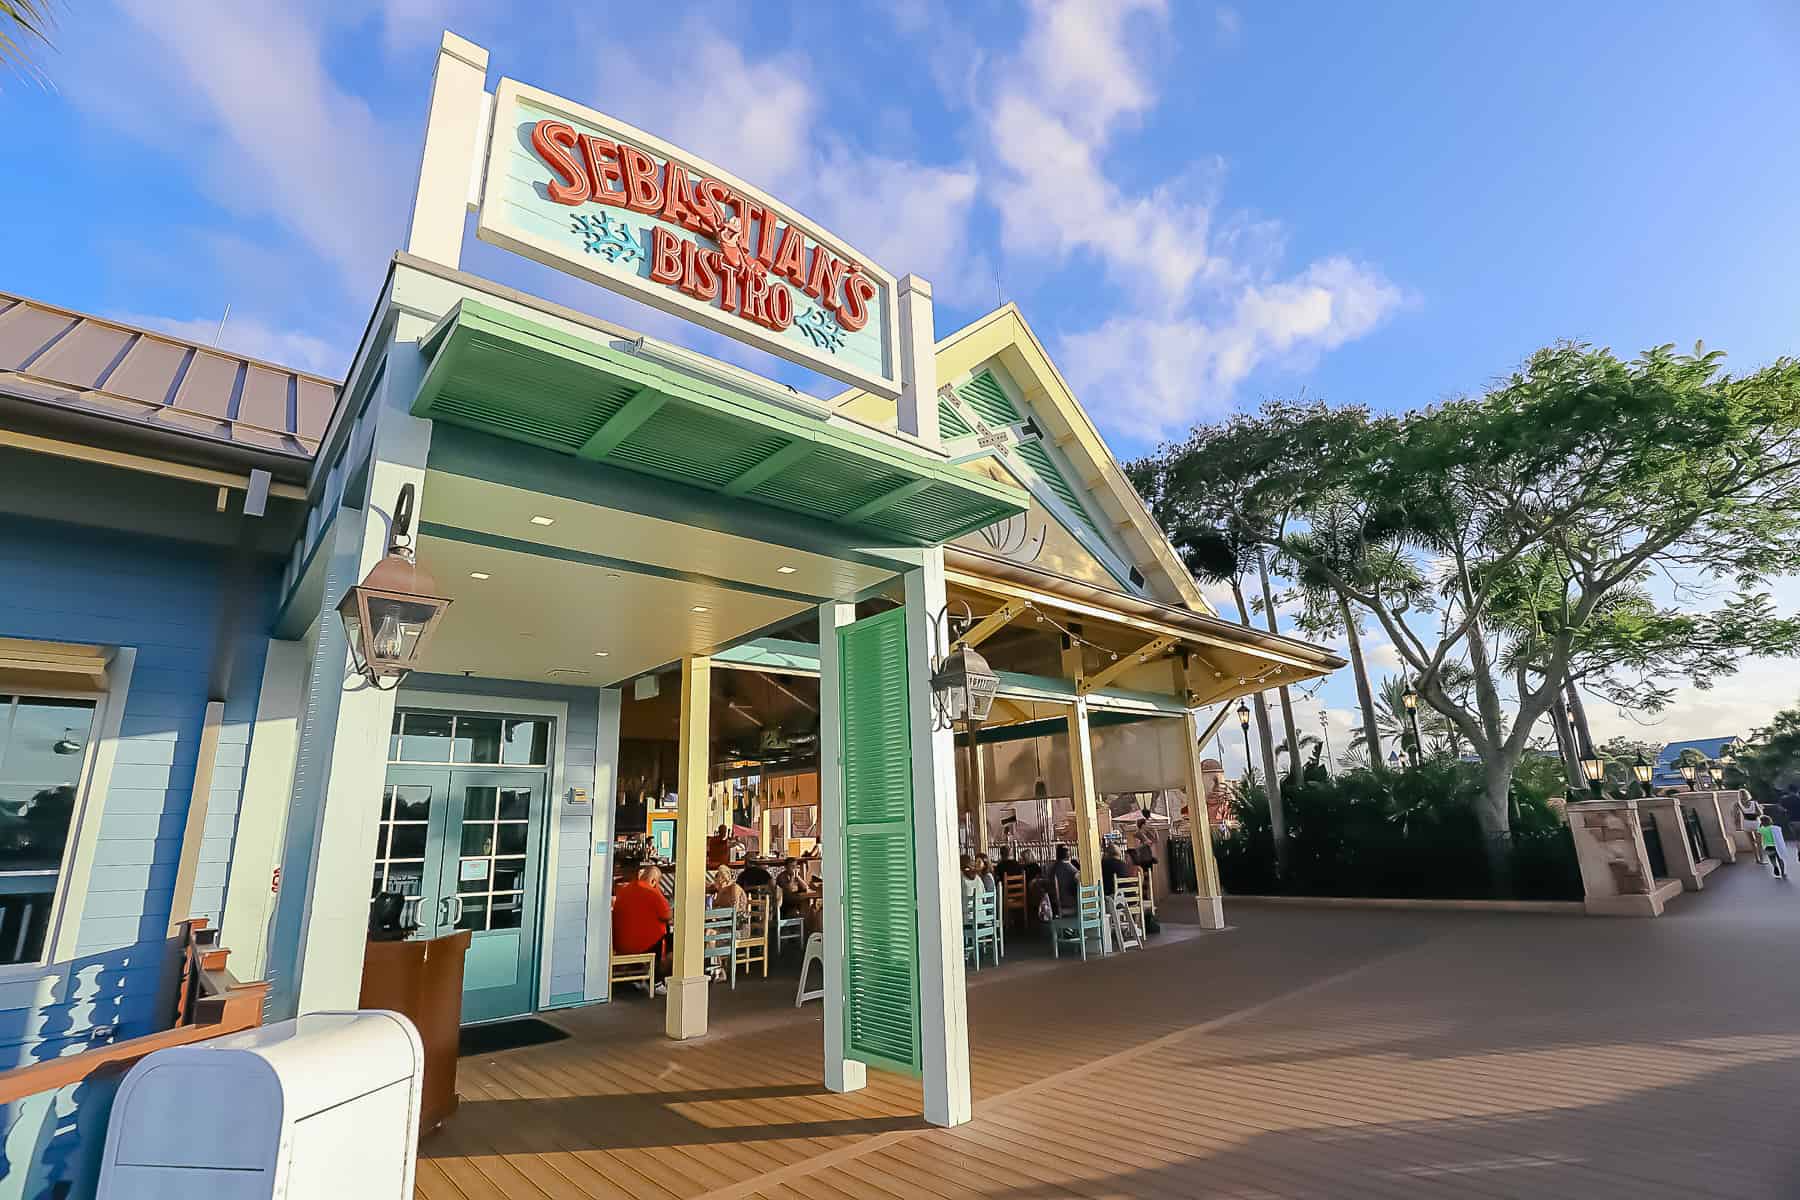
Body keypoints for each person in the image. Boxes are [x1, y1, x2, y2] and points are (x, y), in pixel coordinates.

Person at [612, 865, 672, 989]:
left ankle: (640, 977)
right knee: (668, 940)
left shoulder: (625, 890)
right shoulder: (652, 892)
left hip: (620, 944)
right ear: (654, 881)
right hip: (642, 945)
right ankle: (657, 981)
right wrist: (657, 890)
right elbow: (667, 914)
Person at [1048, 844, 1080, 917]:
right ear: (1069, 854)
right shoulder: (1072, 870)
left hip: (1056, 905)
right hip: (1070, 904)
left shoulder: (1052, 868)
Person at [1736, 794, 1766, 864]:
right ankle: (1761, 860)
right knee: (1759, 842)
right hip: (1755, 823)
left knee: (1752, 842)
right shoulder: (1754, 803)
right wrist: (1760, 808)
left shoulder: (1738, 804)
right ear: (1747, 795)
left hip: (1746, 823)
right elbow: (1760, 813)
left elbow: (1735, 814)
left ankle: (1757, 859)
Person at [1759, 815, 1789, 879]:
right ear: (1770, 821)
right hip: (1777, 846)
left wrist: (1760, 825)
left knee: (1772, 859)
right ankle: (1783, 873)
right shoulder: (1776, 828)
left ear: (1762, 822)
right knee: (1780, 859)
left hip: (1768, 847)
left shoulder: (1762, 830)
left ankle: (1775, 866)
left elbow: (1759, 832)